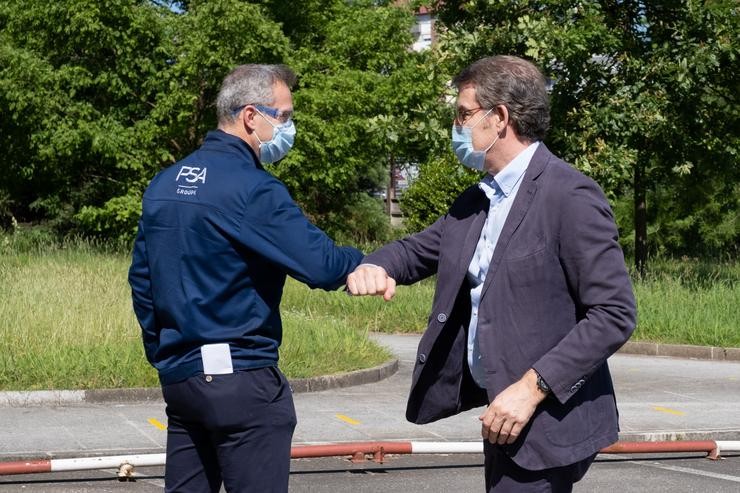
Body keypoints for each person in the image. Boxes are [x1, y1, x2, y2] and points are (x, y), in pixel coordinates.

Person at [347, 55, 636, 492]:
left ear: (499, 118)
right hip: (500, 412)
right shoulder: (479, 199)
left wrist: (532, 388)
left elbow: (614, 313)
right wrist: (375, 265)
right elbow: (418, 250)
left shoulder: (568, 193)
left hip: (543, 416)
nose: (457, 126)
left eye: (463, 114)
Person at [128, 64, 363, 493]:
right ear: (251, 116)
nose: (289, 128)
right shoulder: (253, 189)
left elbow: (143, 283)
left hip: (182, 382)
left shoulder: (163, 184)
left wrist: (166, 354)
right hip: (242, 380)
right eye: (285, 117)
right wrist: (370, 262)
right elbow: (324, 265)